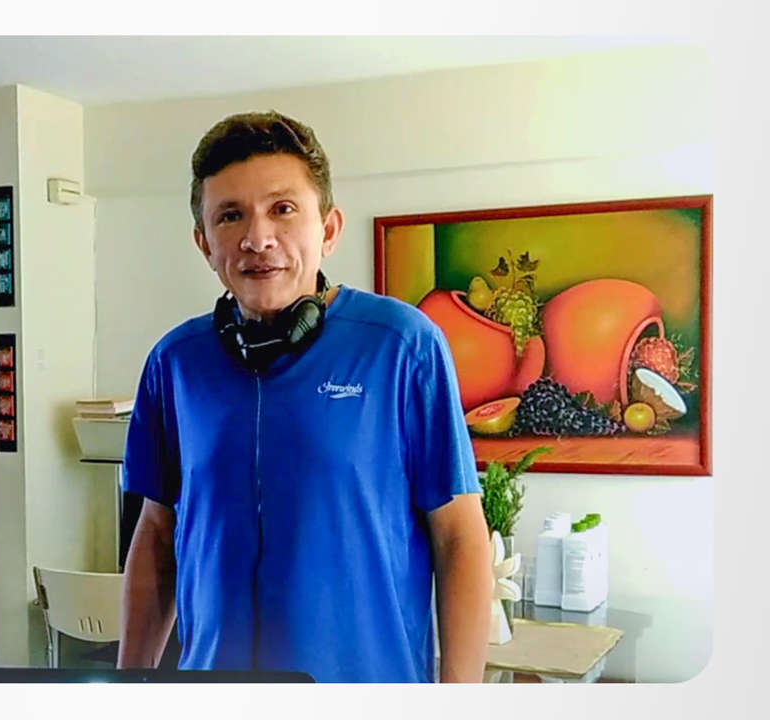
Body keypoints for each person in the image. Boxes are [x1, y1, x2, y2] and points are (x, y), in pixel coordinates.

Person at [116, 110, 493, 683]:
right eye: (230, 216)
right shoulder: (174, 363)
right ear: (204, 243)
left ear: (329, 229)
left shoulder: (402, 346)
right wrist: (127, 688)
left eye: (283, 209)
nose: (257, 238)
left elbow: (460, 537)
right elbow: (157, 534)